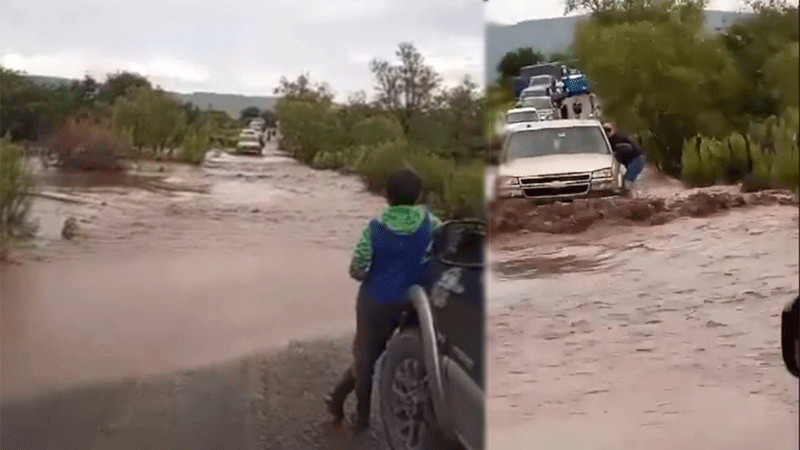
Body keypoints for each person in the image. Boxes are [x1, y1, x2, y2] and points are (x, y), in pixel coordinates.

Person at [324, 167, 442, 431]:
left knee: (366, 359)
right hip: (416, 305)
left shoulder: (375, 227)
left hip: (375, 301)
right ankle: (338, 398)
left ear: (386, 196)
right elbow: (443, 256)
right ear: (419, 195)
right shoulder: (432, 224)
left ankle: (361, 417)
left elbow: (357, 268)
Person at [603, 122, 646, 187]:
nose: (606, 133)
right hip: (634, 160)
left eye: (607, 130)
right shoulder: (611, 140)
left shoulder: (617, 139)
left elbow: (621, 153)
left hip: (636, 160)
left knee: (627, 183)